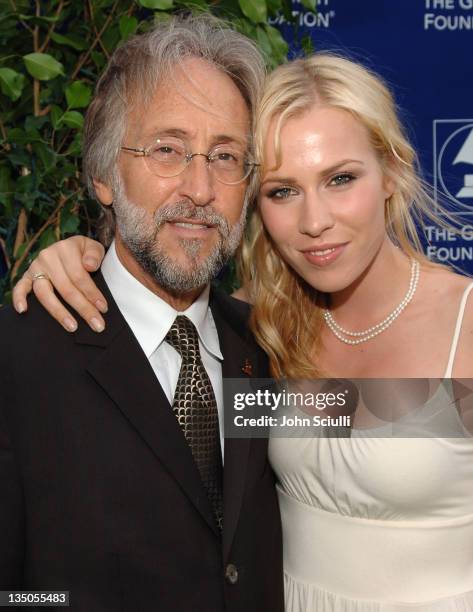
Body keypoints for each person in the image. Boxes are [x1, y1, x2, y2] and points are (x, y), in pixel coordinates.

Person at [13, 53, 473, 610]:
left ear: (392, 174)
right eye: (282, 191)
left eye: (341, 178)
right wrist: (76, 257)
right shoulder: (270, 328)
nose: (314, 220)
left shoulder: (460, 323)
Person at [0, 15, 284, 612]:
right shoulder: (18, 359)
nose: (200, 188)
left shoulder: (270, 346)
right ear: (104, 175)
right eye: (167, 150)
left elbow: (389, 445)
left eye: (226, 156)